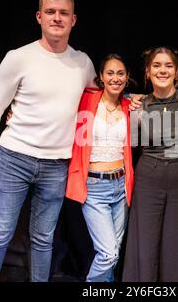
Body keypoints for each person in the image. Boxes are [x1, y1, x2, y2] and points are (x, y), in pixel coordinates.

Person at [0, 0, 96, 282]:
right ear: (39, 17)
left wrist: (136, 101)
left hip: (57, 165)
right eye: (51, 12)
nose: (57, 18)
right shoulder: (18, 57)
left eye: (63, 13)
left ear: (73, 20)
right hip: (13, 159)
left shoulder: (83, 63)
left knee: (43, 239)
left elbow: (100, 103)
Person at [122, 47, 178, 282]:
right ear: (147, 72)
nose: (162, 70)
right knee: (145, 242)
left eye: (168, 66)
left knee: (177, 243)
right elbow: (134, 142)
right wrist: (131, 103)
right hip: (149, 176)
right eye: (156, 65)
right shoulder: (139, 105)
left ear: (176, 72)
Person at [65, 54, 135, 282]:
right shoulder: (85, 100)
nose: (116, 78)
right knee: (108, 253)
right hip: (94, 187)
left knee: (113, 253)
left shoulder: (129, 106)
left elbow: (157, 101)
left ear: (127, 78)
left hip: (121, 186)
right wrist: (14, 112)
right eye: (110, 73)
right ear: (101, 78)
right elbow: (54, 108)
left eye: (120, 73)